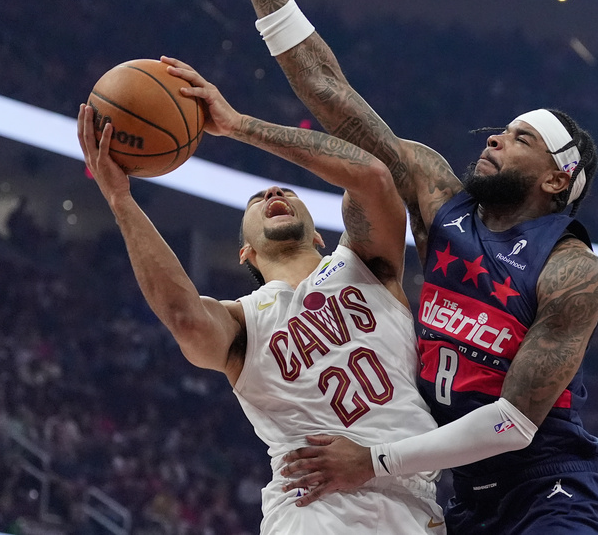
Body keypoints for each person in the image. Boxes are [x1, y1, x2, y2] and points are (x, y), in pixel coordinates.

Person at [181, 0, 598, 534]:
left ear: (557, 180)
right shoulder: (439, 199)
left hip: (546, 481)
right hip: (459, 495)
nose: (497, 136)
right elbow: (331, 92)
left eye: (521, 136)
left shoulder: (573, 271)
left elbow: (513, 421)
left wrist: (374, 460)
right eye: (503, 128)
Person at [76, 56, 446, 534]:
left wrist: (237, 125)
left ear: (318, 235)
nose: (273, 190)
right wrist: (121, 201)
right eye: (256, 200)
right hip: (314, 512)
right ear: (245, 252)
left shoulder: (365, 265)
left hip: (412, 506)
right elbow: (185, 318)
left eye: (288, 193)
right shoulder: (242, 323)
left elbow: (374, 175)